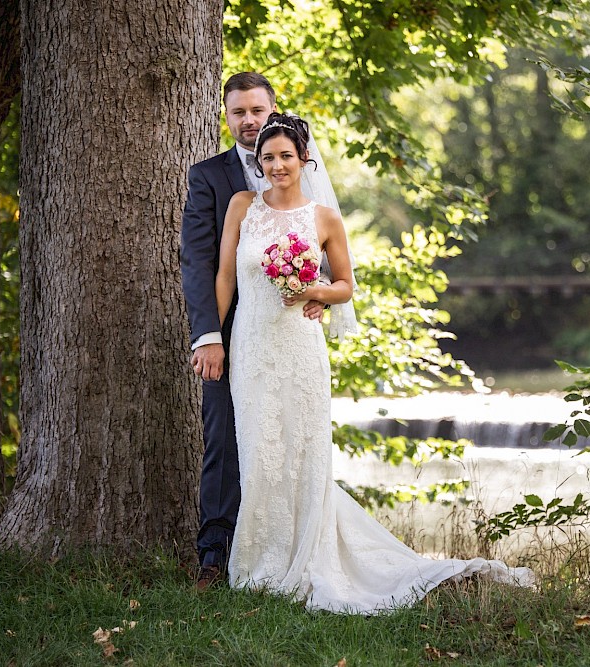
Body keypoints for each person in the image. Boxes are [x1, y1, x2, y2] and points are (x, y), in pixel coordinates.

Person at [213, 113, 534, 614]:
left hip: (300, 348)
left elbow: (345, 285)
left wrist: (314, 290)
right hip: (252, 347)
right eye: (268, 157)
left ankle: (305, 560)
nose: (277, 165)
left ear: (304, 160)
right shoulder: (241, 207)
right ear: (259, 162)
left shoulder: (323, 218)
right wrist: (215, 335)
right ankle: (260, 565)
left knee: (302, 455)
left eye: (286, 157)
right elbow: (225, 278)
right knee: (258, 456)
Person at [181, 72, 332, 590]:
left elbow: (327, 259)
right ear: (226, 116)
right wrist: (208, 337)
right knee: (225, 439)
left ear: (273, 111)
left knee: (291, 441)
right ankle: (215, 556)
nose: (248, 120)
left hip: (291, 332)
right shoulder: (210, 177)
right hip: (235, 334)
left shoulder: (307, 177)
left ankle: (292, 548)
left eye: (257, 111)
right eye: (238, 112)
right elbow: (201, 265)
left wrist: (316, 295)